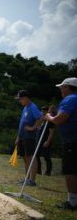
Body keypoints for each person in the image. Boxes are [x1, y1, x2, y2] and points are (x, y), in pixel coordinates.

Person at [46, 77, 77, 210]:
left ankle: (72, 202)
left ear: (68, 87)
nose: (60, 89)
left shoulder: (70, 99)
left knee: (70, 170)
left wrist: (49, 117)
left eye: (62, 87)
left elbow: (60, 120)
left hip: (72, 141)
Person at [15, 90, 43, 186]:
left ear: (26, 98)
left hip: (29, 137)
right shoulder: (25, 108)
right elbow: (22, 122)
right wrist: (18, 136)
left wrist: (32, 128)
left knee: (31, 157)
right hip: (23, 136)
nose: (20, 101)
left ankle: (32, 180)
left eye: (20, 99)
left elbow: (41, 118)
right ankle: (26, 179)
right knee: (25, 158)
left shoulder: (33, 107)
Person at [36, 105, 56, 176]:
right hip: (39, 141)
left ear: (47, 112)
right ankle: (38, 170)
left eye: (44, 111)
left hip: (45, 141)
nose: (42, 112)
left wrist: (48, 141)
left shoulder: (49, 121)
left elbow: (52, 132)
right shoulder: (42, 120)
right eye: (42, 111)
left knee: (46, 156)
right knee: (36, 155)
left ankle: (48, 172)